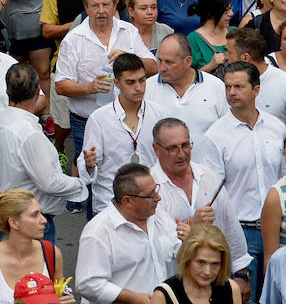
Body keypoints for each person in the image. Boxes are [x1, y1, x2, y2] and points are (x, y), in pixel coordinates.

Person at [200, 61, 285, 297]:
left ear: (256, 90)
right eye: (228, 87)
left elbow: (283, 182)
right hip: (239, 233)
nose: (232, 93)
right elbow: (212, 194)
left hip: (278, 231)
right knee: (243, 298)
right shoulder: (215, 136)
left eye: (239, 86)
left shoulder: (277, 128)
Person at [52, 0, 155, 158]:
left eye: (106, 5)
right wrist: (90, 87)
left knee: (127, 170)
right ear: (86, 7)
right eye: (95, 6)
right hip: (86, 121)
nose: (101, 11)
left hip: (127, 119)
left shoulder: (128, 31)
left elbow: (153, 67)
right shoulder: (74, 39)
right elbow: (61, 86)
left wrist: (130, 59)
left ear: (115, 4)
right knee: (90, 172)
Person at [0, 65, 86, 242]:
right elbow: (50, 183)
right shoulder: (28, 133)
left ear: (7, 91)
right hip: (28, 223)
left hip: (6, 214)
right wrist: (81, 185)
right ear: (38, 90)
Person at [148, 118, 251, 284]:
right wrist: (191, 223)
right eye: (172, 148)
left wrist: (241, 274)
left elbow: (230, 226)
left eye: (185, 145)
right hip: (174, 285)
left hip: (215, 282)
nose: (181, 154)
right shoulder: (150, 187)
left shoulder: (208, 176)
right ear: (156, 149)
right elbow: (154, 243)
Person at [74, 164, 179, 304]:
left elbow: (177, 250)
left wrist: (189, 241)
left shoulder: (160, 217)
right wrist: (132, 297)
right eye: (151, 195)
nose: (158, 198)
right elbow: (87, 284)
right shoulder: (98, 232)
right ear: (128, 201)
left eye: (156, 190)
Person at [75, 52, 166, 213]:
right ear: (116, 83)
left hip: (150, 201)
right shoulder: (99, 119)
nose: (138, 87)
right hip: (111, 204)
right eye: (130, 82)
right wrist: (89, 164)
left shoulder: (158, 113)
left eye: (142, 80)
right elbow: (86, 168)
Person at [0, 189, 66, 304]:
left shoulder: (52, 254)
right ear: (14, 223)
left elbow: (60, 295)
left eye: (41, 213)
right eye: (35, 215)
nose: (44, 220)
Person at [144, 35, 228, 145]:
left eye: (169, 62)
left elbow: (227, 132)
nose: (162, 68)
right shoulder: (147, 88)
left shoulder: (216, 87)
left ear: (188, 61)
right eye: (160, 61)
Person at [151, 225, 243, 304]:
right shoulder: (164, 295)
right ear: (187, 259)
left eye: (215, 264)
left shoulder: (231, 289)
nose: (207, 271)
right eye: (201, 263)